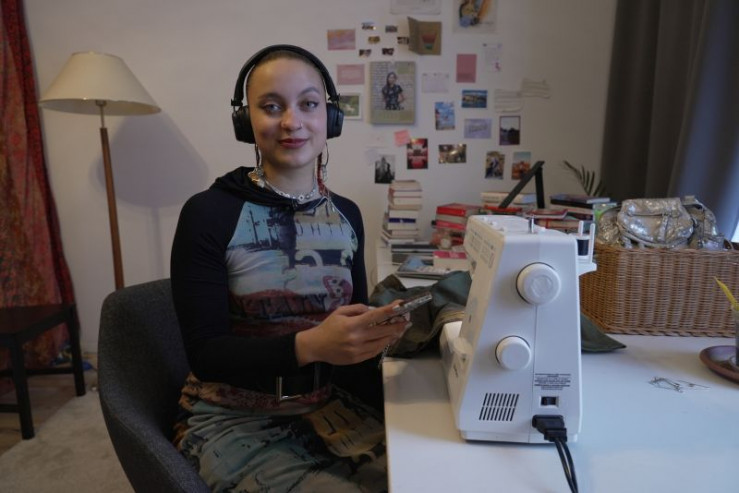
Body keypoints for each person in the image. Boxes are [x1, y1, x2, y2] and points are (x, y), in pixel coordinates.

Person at [170, 45, 409, 492]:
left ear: (330, 118)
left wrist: (381, 337)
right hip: (233, 420)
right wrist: (311, 345)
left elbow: (351, 335)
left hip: (328, 406)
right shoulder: (208, 213)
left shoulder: (347, 215)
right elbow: (205, 353)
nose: (291, 121)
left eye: (309, 104)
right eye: (271, 106)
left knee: (429, 471)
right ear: (246, 121)